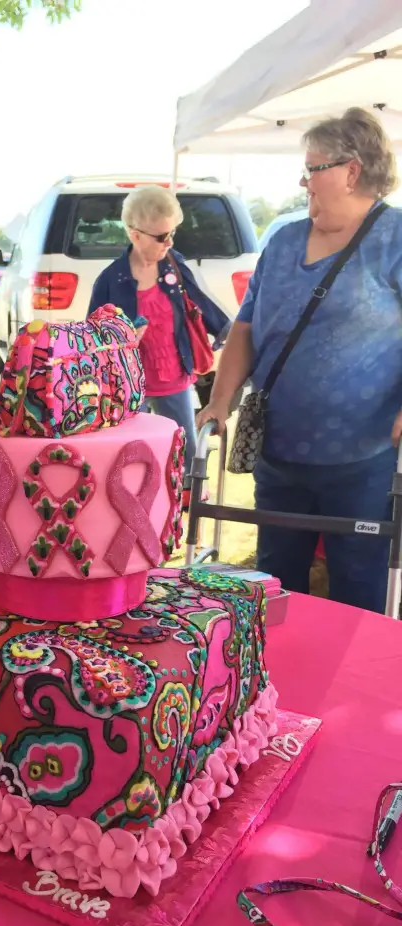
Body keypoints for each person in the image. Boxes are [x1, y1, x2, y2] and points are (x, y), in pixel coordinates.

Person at [198, 107, 402, 614]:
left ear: (351, 171)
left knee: (358, 589)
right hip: (279, 450)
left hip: (362, 458)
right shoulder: (284, 240)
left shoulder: (395, 239)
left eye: (313, 168)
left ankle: (354, 692)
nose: (304, 180)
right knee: (276, 586)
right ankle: (274, 689)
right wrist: (220, 401)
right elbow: (246, 326)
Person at [88, 186, 229, 497]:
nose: (170, 242)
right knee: (132, 456)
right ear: (135, 234)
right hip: (129, 385)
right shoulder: (111, 279)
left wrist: (229, 334)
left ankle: (189, 516)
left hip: (172, 374)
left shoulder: (173, 265)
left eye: (172, 233)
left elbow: (200, 304)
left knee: (187, 452)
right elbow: (92, 338)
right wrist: (122, 337)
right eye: (161, 236)